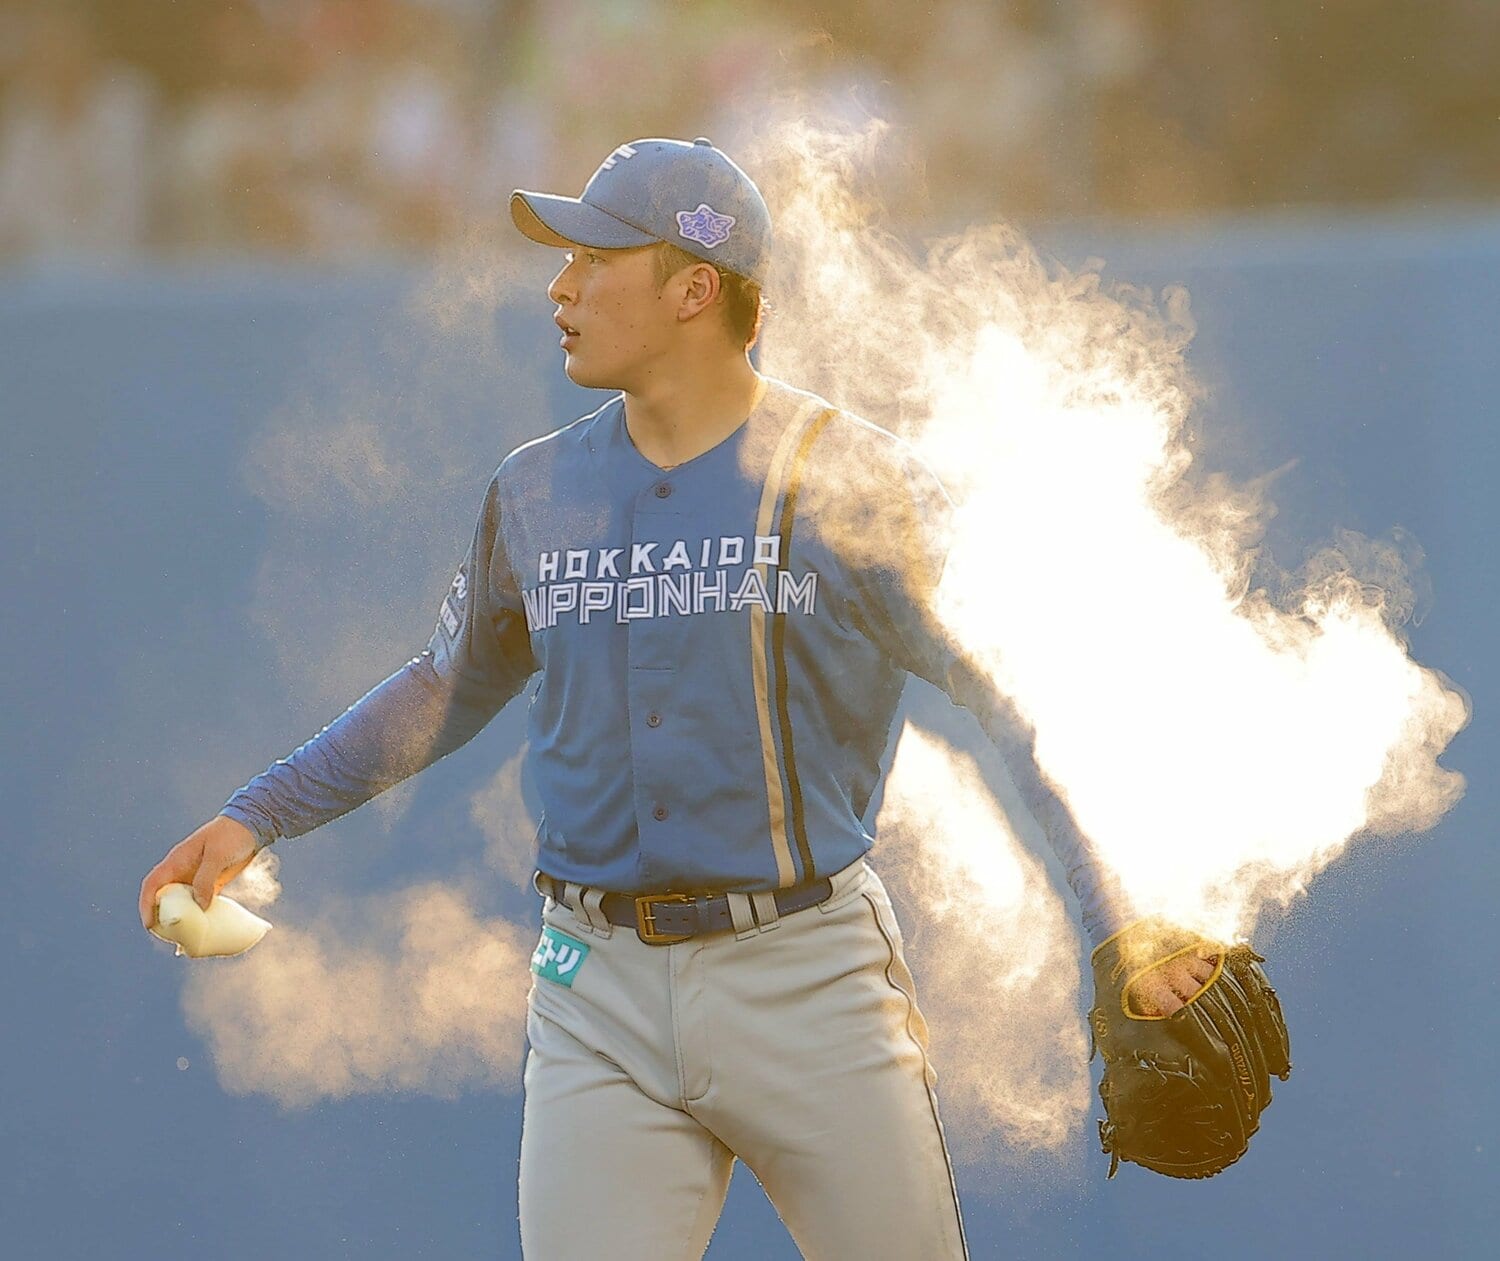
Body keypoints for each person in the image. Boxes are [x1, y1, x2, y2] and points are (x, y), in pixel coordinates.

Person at [139, 136, 1215, 1259]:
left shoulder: (852, 484)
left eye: (595, 257)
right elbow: (444, 686)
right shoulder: (537, 485)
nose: (559, 286)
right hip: (591, 991)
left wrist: (1118, 923)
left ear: (696, 287)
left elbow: (1022, 707)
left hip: (810, 981)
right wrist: (256, 812)